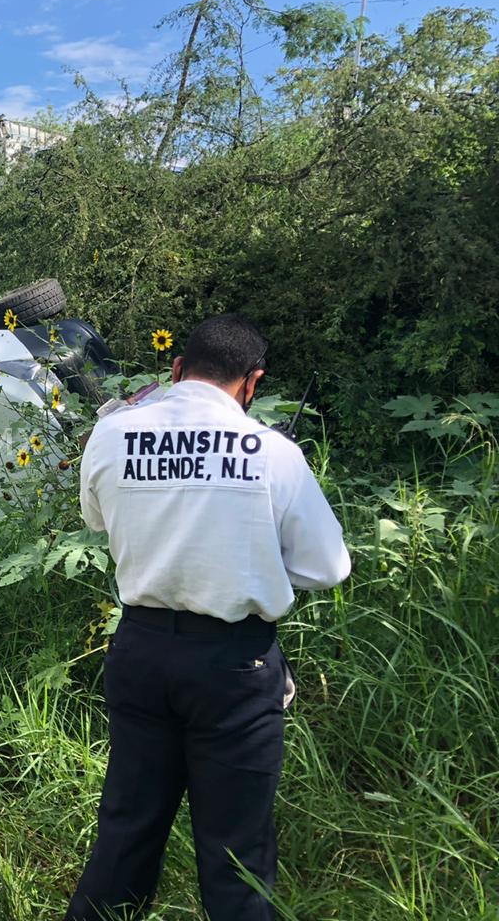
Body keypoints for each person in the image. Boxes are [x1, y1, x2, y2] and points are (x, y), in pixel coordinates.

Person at [65, 313, 351, 921]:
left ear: (175, 369)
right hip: (234, 665)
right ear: (253, 382)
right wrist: (254, 568)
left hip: (139, 651)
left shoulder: (113, 435)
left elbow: (97, 521)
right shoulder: (274, 452)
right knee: (237, 852)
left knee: (126, 831)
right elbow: (329, 567)